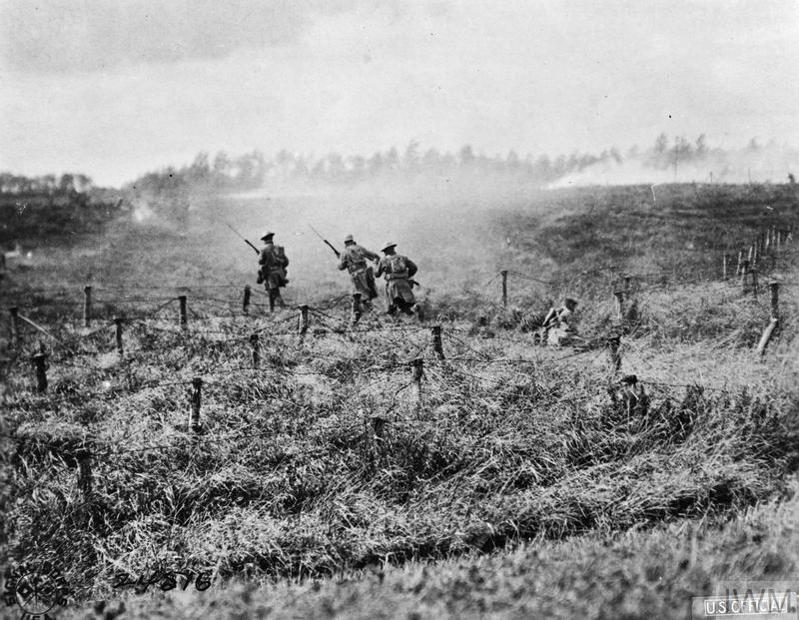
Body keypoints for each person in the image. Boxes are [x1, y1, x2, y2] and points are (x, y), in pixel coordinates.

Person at [374, 242, 419, 318]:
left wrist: (376, 264)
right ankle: (415, 312)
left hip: (393, 285)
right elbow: (414, 267)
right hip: (404, 283)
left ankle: (411, 316)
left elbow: (377, 274)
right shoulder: (403, 258)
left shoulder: (383, 260)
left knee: (395, 305)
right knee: (407, 303)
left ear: (386, 251)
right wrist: (408, 276)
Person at [337, 234, 379, 310]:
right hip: (366, 274)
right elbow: (374, 256)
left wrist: (339, 259)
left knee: (360, 296)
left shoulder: (345, 252)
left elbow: (341, 267)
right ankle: (365, 312)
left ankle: (373, 312)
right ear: (353, 241)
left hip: (356, 276)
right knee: (366, 294)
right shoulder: (360, 248)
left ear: (345, 243)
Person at [257, 231, 289, 311]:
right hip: (280, 274)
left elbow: (260, 261)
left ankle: (284, 310)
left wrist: (260, 255)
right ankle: (272, 310)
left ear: (264, 240)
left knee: (274, 292)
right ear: (271, 238)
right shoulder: (278, 248)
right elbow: (286, 262)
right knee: (272, 291)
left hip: (271, 274)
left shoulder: (263, 249)